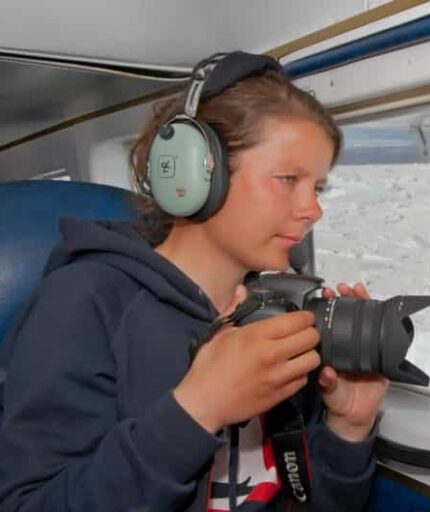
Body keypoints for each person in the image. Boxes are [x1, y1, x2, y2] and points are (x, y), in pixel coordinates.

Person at [0, 52, 388, 512]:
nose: (313, 209)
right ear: (195, 175)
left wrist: (348, 429)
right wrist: (195, 412)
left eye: (318, 188)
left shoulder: (278, 310)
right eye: (287, 179)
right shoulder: (86, 301)